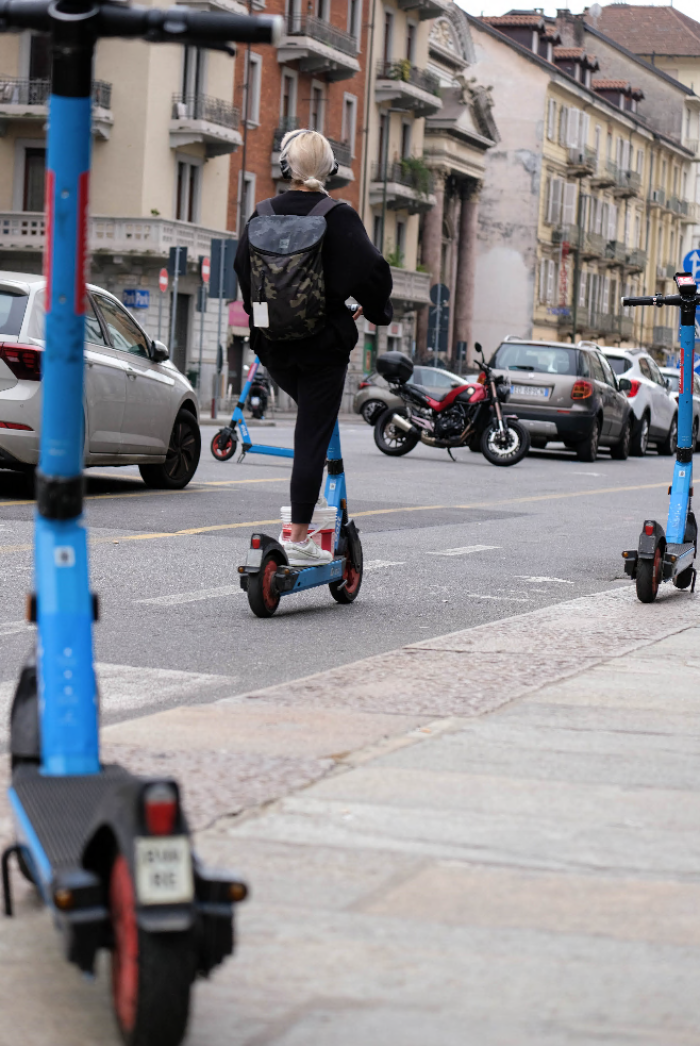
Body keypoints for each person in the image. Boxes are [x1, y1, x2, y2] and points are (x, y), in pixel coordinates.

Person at [234, 129, 393, 566]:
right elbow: (374, 272)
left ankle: (307, 521)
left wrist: (267, 318)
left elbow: (243, 271)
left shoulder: (261, 213)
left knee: (311, 419)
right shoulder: (338, 215)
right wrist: (377, 311)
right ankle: (300, 537)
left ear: (286, 167)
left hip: (273, 347)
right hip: (323, 347)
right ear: (329, 170)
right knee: (311, 436)